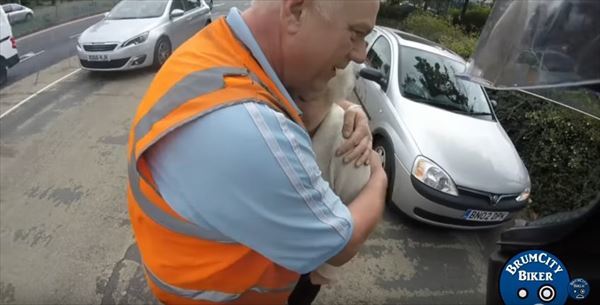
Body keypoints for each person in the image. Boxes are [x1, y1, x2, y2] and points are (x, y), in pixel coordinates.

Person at [126, 1, 387, 304]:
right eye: (355, 33)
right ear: (296, 10)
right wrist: (379, 177)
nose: (360, 54)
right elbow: (341, 245)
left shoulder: (214, 52)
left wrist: (349, 107)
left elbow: (283, 93)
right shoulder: (253, 133)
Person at [288, 64, 371, 305]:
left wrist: (323, 271)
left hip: (305, 266)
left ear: (333, 100)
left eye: (303, 98)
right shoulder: (278, 121)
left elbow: (353, 208)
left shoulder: (349, 145)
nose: (290, 105)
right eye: (289, 92)